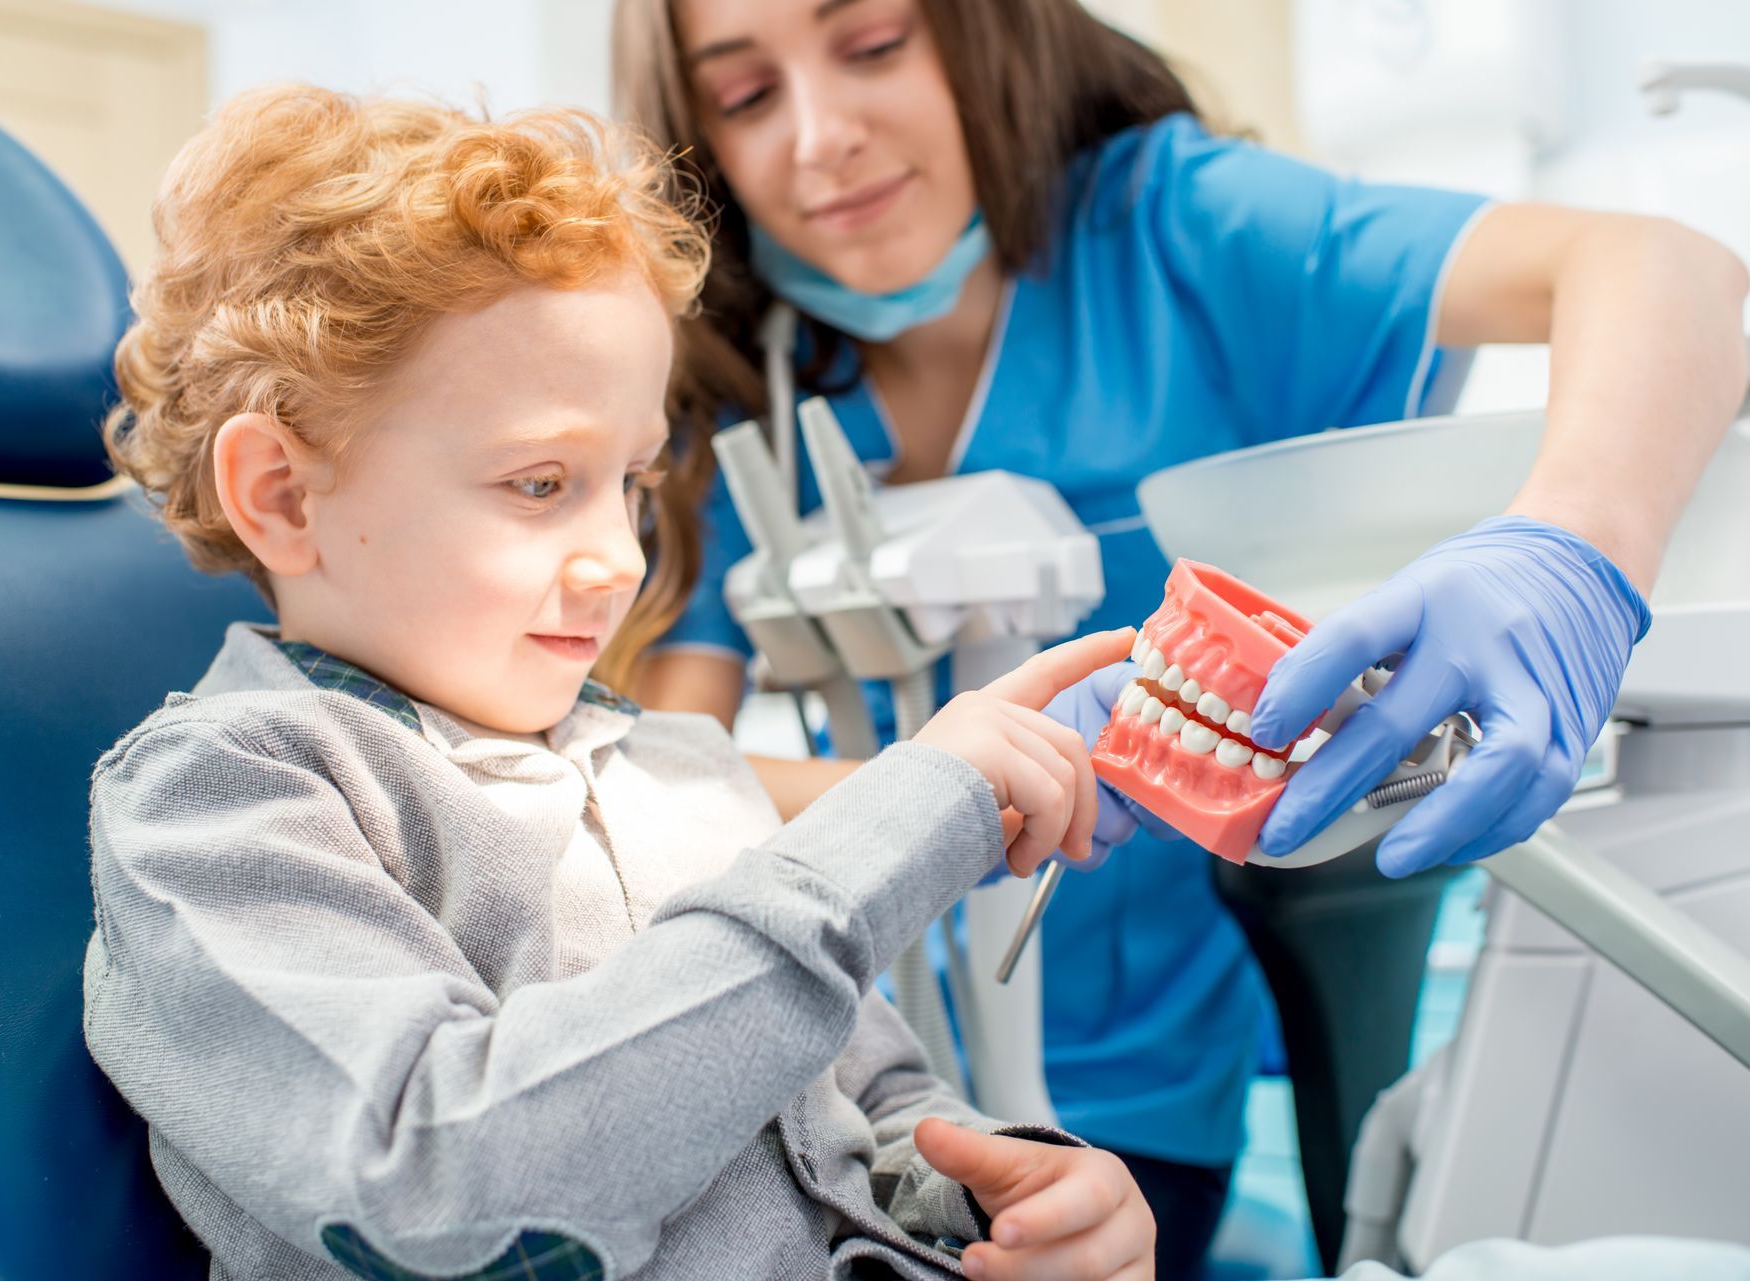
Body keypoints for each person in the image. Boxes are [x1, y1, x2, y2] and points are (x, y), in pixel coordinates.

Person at [609, 0, 1749, 1273]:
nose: (822, 137)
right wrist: (962, 798)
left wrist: (1573, 549)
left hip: (1140, 1104)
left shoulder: (1178, 232)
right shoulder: (736, 383)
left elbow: (1669, 269)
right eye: (747, 96)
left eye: (873, 44)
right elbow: (656, 776)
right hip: (856, 1077)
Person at [81, 82, 1163, 1281]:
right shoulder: (220, 806)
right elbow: (451, 1188)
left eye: (634, 483)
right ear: (283, 494)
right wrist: (884, 830)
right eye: (542, 484)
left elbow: (860, 1108)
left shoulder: (671, 772)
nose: (621, 559)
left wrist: (1000, 1188)